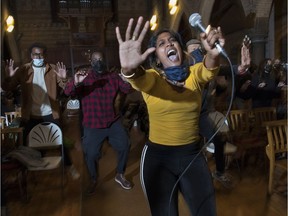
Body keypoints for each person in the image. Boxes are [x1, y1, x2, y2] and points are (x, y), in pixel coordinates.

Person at [115, 16, 224, 215]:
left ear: (180, 51)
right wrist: (128, 69)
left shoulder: (194, 74)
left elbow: (208, 67)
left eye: (172, 41)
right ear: (156, 57)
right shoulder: (153, 79)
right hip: (158, 158)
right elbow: (137, 77)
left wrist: (213, 54)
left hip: (192, 155)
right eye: (161, 43)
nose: (169, 44)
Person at [2, 42, 80, 180]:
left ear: (45, 55)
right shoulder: (23, 70)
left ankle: (69, 167)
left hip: (50, 113)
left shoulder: (53, 69)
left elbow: (67, 89)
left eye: (41, 54)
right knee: (25, 144)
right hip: (30, 114)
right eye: (35, 54)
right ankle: (26, 173)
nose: (38, 57)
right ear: (30, 55)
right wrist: (8, 76)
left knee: (60, 141)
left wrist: (63, 78)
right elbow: (8, 88)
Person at [64, 51, 134, 196]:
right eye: (96, 60)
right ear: (91, 62)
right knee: (91, 154)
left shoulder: (113, 77)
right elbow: (69, 92)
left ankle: (120, 174)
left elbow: (128, 89)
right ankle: (94, 179)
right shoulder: (85, 77)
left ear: (105, 60)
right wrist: (76, 82)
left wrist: (126, 78)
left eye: (101, 59)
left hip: (112, 121)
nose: (98, 62)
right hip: (92, 124)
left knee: (125, 144)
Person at [186, 36, 251, 188]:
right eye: (193, 50)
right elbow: (192, 63)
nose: (198, 52)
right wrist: (201, 51)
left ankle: (219, 172)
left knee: (219, 139)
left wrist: (241, 67)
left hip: (201, 115)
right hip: (185, 115)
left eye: (199, 49)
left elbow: (230, 69)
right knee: (188, 147)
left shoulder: (208, 69)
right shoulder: (185, 67)